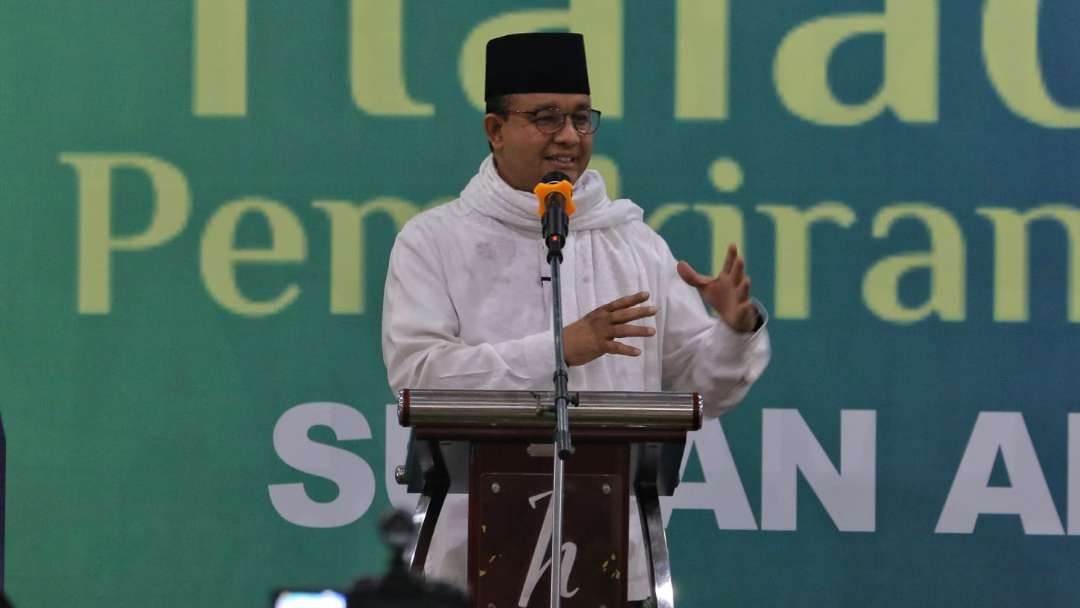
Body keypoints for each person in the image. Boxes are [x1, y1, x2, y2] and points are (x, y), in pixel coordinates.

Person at [381, 32, 770, 603]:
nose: (568, 136)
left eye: (582, 119)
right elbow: (418, 375)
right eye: (546, 117)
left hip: (617, 562)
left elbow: (706, 389)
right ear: (495, 130)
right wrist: (557, 348)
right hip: (468, 567)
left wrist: (734, 332)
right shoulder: (435, 241)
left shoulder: (634, 244)